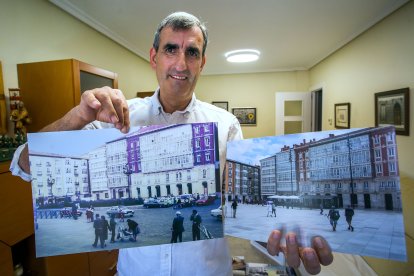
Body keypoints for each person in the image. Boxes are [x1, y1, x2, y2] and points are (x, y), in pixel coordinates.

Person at [10, 11, 333, 275]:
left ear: (202, 62)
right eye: (171, 49)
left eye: (192, 52)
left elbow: (243, 204)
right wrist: (78, 116)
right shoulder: (114, 120)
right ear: (154, 57)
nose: (181, 64)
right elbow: (24, 165)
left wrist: (283, 236)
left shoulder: (226, 124)